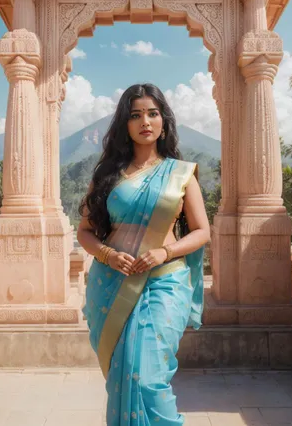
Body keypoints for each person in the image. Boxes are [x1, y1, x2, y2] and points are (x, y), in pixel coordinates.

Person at [77, 83, 211, 425]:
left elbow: (201, 232)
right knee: (123, 376)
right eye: (135, 115)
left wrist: (164, 252)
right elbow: (85, 231)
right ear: (125, 124)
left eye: (152, 113)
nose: (145, 121)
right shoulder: (107, 176)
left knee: (147, 377)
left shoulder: (181, 173)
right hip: (113, 282)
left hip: (165, 283)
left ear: (164, 121)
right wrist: (107, 255)